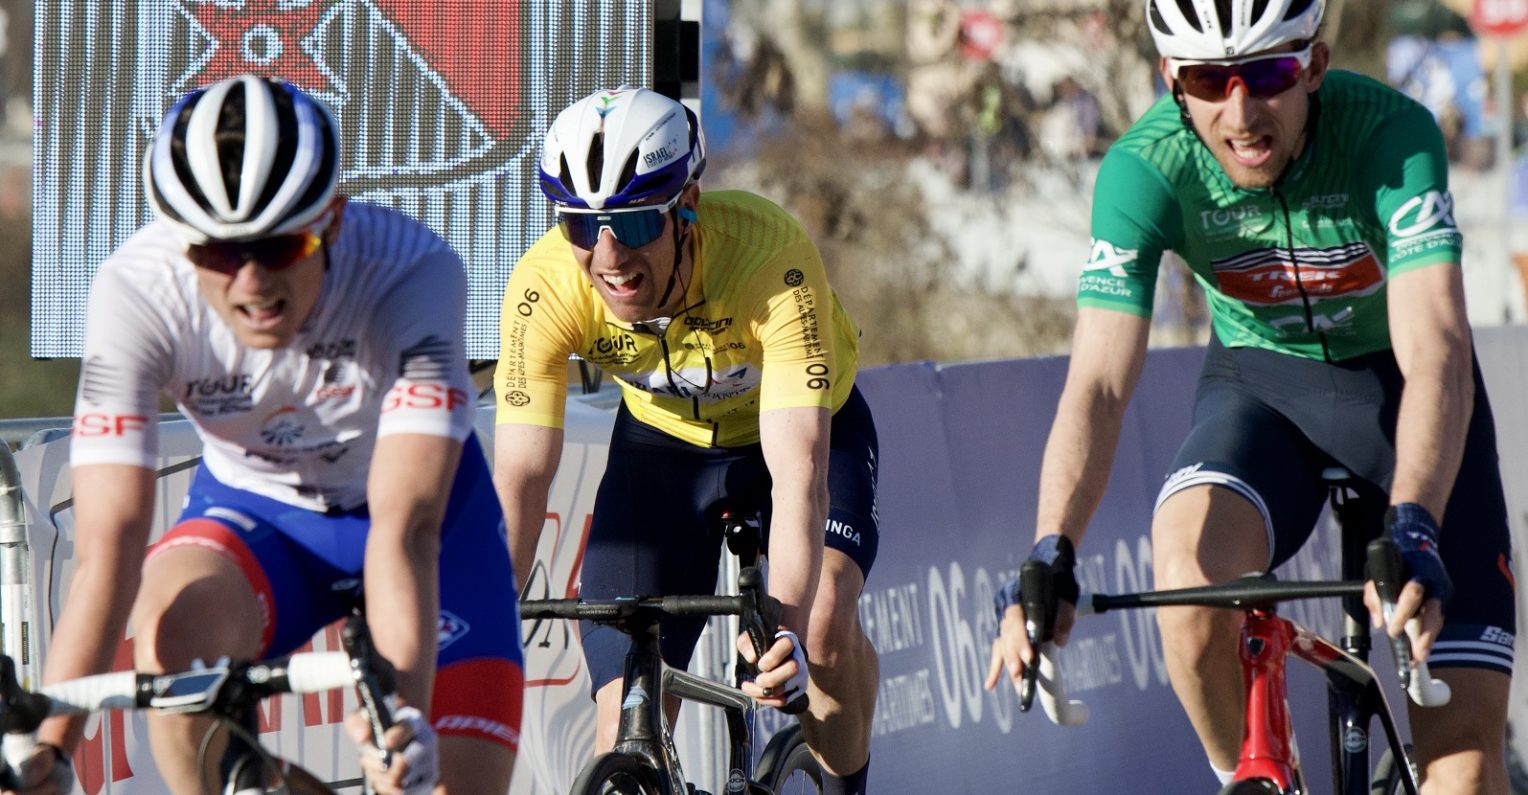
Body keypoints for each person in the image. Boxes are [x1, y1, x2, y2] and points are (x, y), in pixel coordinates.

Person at [986, 1, 1514, 793]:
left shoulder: (1391, 136)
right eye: (1208, 80)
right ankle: (1251, 777)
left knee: (1464, 769)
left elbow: (1436, 350)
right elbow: (1097, 382)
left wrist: (1415, 519)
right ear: (1172, 81)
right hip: (1264, 398)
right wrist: (1050, 547)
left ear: (1314, 66)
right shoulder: (1146, 167)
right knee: (1189, 587)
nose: (1240, 114)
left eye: (1266, 74)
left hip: (1407, 402)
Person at [10, 75, 522, 795]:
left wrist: (399, 722)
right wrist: (51, 747)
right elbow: (108, 548)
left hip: (428, 525)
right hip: (258, 514)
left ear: (332, 221)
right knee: (173, 639)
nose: (250, 280)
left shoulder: (412, 271)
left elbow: (407, 528)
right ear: (181, 242)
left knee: (426, 780)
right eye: (218, 254)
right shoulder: (135, 291)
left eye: (280, 245)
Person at [494, 86, 880, 795]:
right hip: (663, 450)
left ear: (687, 206)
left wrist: (786, 633)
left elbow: (799, 474)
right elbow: (520, 479)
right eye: (580, 226)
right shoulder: (543, 288)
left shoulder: (769, 258)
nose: (608, 254)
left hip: (792, 438)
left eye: (637, 222)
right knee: (624, 716)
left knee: (823, 622)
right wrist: (482, 617)